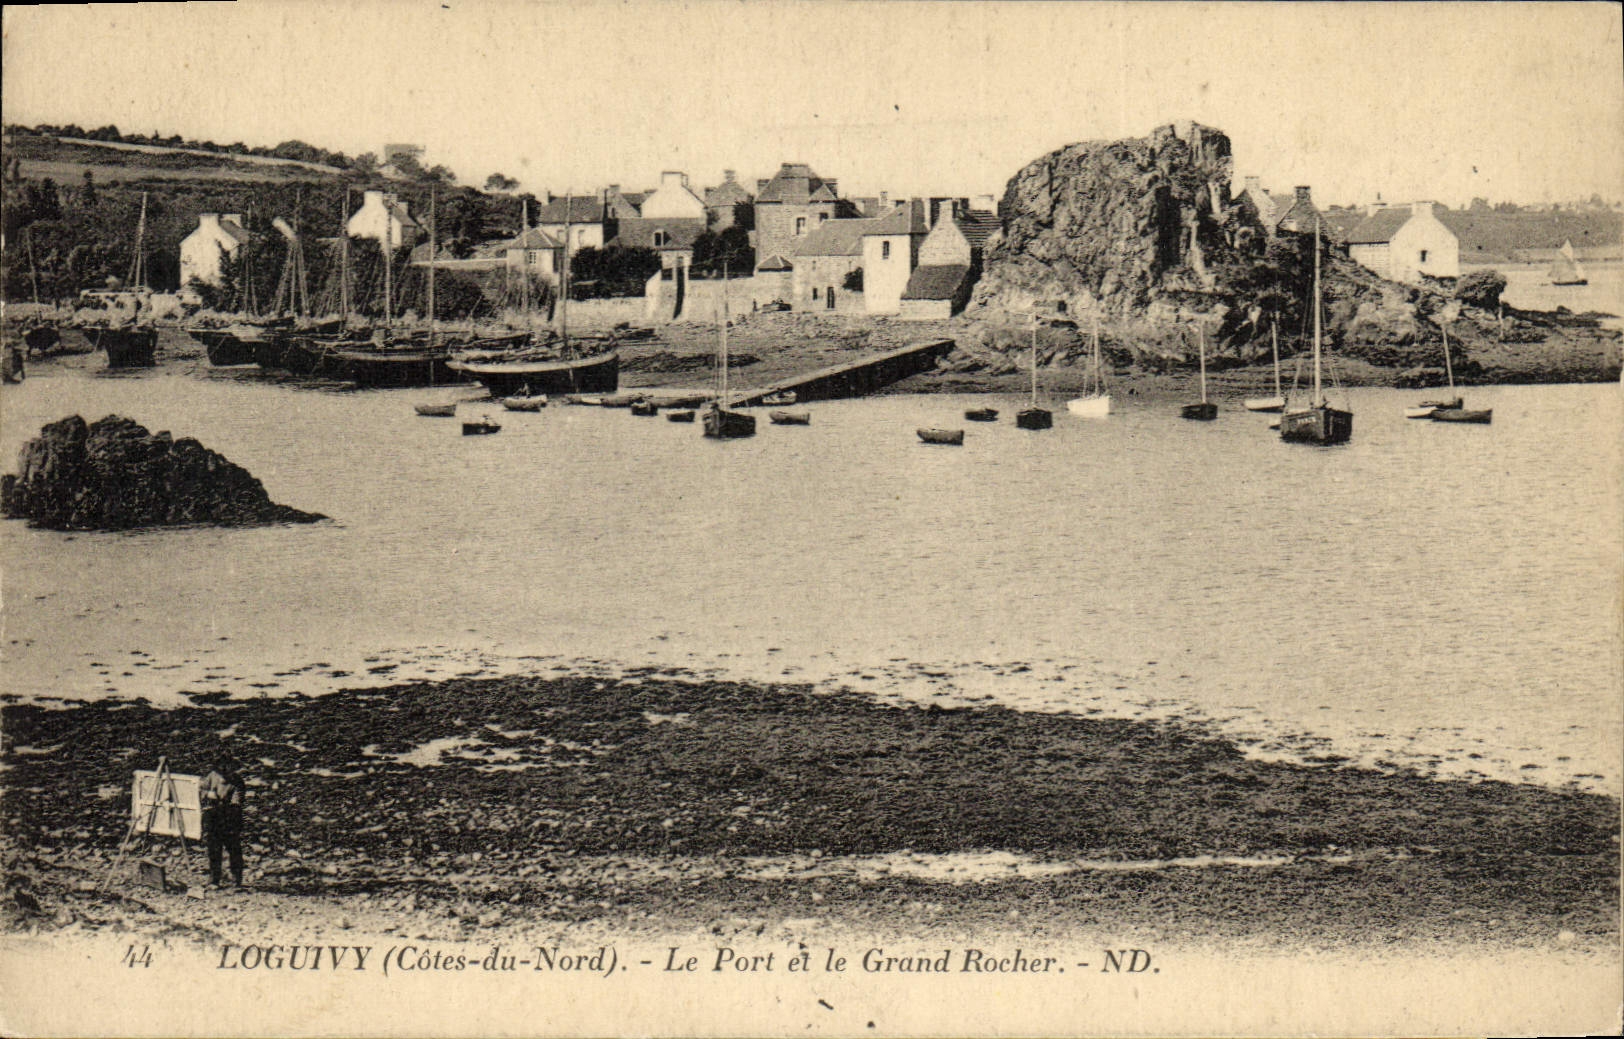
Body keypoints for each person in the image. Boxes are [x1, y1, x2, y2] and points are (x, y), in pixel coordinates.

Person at [200, 757, 245, 889]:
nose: (225, 770)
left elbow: (237, 802)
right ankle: (214, 880)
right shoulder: (212, 776)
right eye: (222, 767)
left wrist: (224, 804)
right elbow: (201, 790)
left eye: (228, 767)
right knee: (214, 849)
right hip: (213, 819)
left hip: (230, 819)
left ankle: (237, 880)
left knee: (234, 849)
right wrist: (208, 794)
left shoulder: (237, 782)